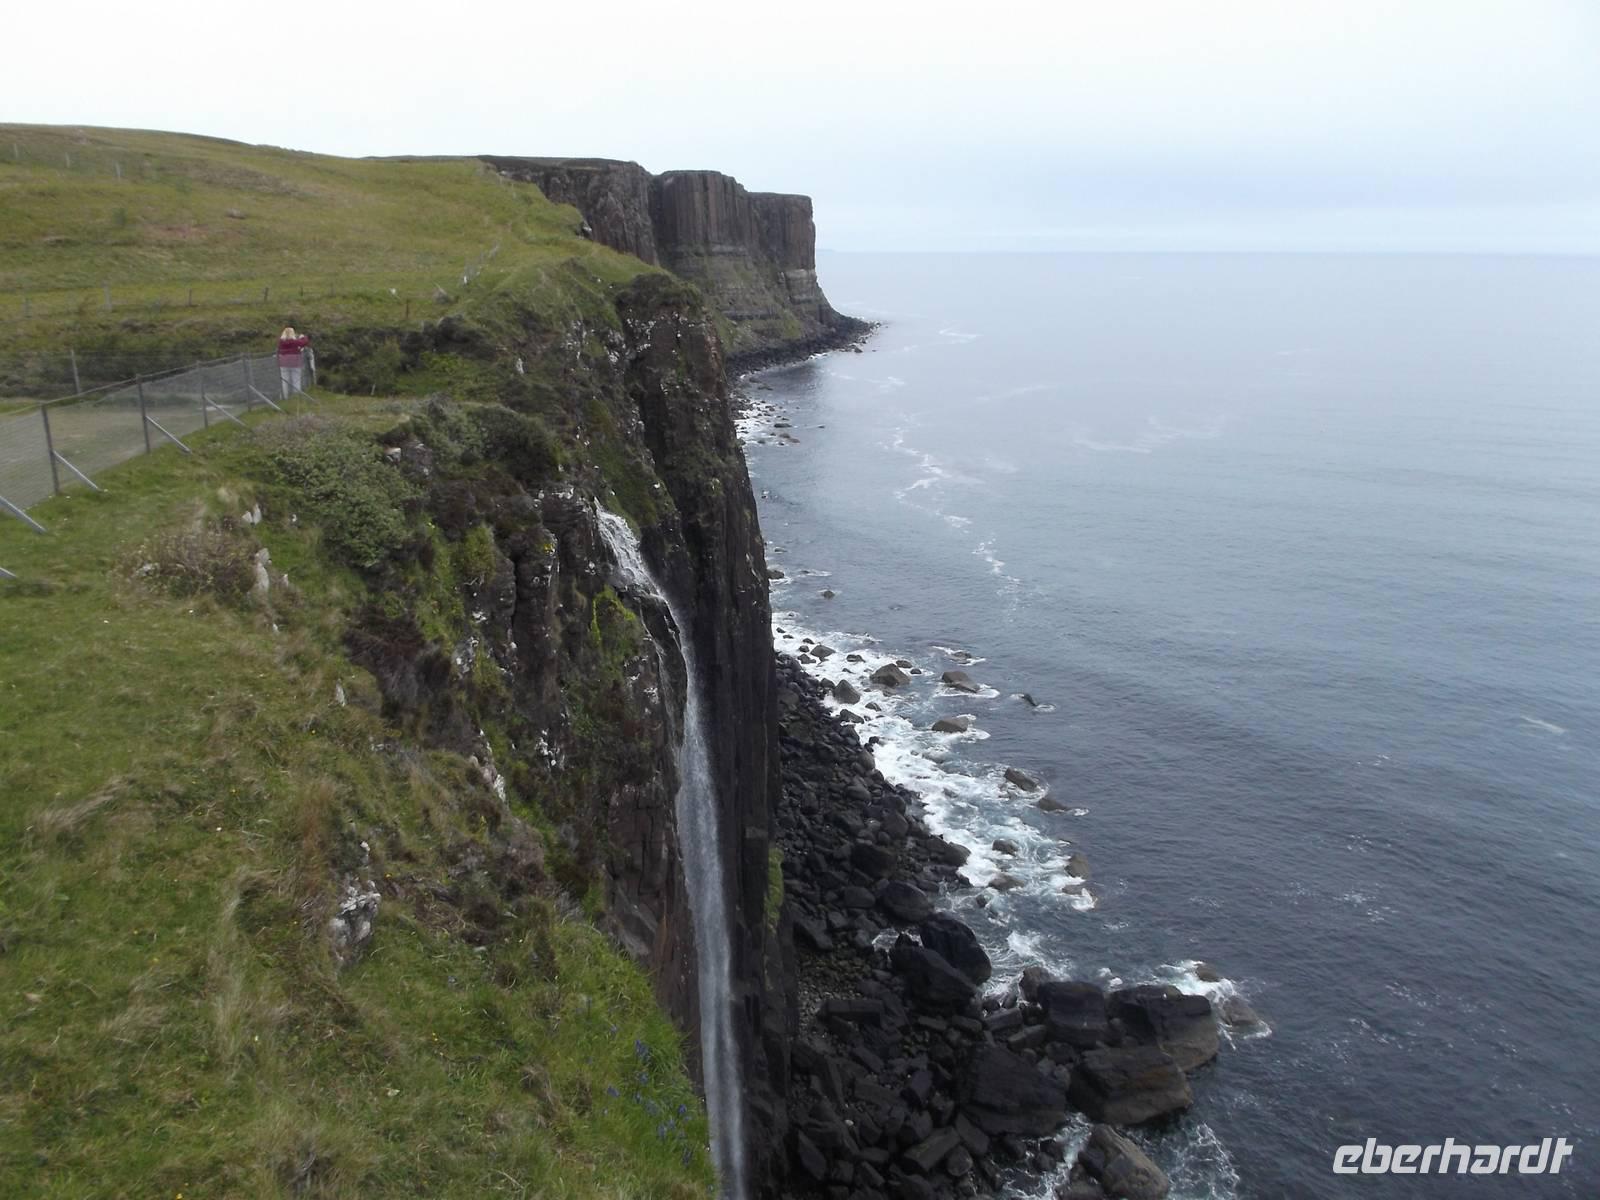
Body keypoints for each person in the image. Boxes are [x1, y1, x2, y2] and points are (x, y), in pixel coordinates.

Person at [276, 326, 311, 399]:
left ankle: (284, 397)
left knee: (284, 380)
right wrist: (303, 337)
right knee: (296, 380)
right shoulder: (295, 342)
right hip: (295, 362)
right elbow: (305, 342)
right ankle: (296, 397)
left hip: (283, 362)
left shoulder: (281, 342)